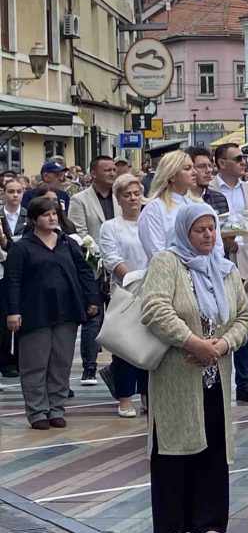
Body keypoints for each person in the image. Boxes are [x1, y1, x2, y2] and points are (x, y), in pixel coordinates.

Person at [140, 204, 248, 533]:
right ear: (184, 232)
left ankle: (209, 522)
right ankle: (172, 527)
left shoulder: (225, 269)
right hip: (177, 373)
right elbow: (155, 309)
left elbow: (244, 317)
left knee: (213, 447)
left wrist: (221, 345)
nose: (207, 235)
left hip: (215, 374)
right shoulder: (166, 262)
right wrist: (193, 343)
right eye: (199, 230)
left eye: (211, 229)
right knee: (174, 448)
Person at [5, 197, 100, 429]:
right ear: (34, 219)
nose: (52, 218)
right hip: (35, 312)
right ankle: (37, 411)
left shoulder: (67, 243)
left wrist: (91, 299)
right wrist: (13, 311)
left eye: (54, 214)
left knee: (61, 363)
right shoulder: (22, 247)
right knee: (35, 364)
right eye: (46, 214)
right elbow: (12, 281)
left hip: (66, 310)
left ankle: (56, 408)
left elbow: (85, 272)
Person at [211, 144, 248, 406]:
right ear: (222, 163)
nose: (244, 162)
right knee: (216, 323)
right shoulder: (210, 188)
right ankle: (216, 380)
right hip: (216, 263)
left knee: (246, 323)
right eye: (238, 158)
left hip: (245, 265)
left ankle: (243, 382)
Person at [97, 174, 150, 416]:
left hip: (153, 290)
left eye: (136, 194)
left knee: (151, 345)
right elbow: (112, 258)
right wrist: (134, 279)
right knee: (125, 347)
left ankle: (148, 395)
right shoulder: (111, 226)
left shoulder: (150, 222)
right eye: (127, 195)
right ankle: (125, 398)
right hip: (125, 293)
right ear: (118, 199)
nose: (132, 199)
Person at [68, 155, 120, 386]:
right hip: (92, 268)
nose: (112, 173)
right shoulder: (80, 200)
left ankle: (120, 367)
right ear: (93, 174)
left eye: (114, 170)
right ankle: (89, 368)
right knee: (93, 317)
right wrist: (101, 258)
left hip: (120, 267)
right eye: (107, 170)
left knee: (120, 318)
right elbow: (79, 234)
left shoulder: (121, 196)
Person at [138, 151, 208, 260]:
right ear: (172, 176)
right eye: (187, 168)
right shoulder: (154, 209)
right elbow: (157, 254)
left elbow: (216, 247)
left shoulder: (200, 205)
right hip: (169, 269)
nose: (194, 172)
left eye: (193, 167)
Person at [0, 178, 27, 378]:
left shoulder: (28, 215)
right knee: (3, 316)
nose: (15, 195)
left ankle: (19, 358)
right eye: (11, 191)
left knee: (20, 314)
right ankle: (5, 360)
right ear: (3, 193)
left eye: (19, 191)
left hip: (22, 268)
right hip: (1, 269)